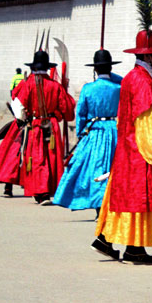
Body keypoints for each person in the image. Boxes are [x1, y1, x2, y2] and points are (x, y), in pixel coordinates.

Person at [93, 5, 152, 265]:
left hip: (127, 148)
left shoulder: (132, 76)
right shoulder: (143, 80)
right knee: (140, 199)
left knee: (126, 198)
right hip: (140, 150)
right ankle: (123, 243)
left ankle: (126, 244)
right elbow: (146, 121)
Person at [53, 49, 122, 218]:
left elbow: (81, 113)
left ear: (95, 69)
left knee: (94, 167)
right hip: (115, 130)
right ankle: (110, 204)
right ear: (111, 69)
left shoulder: (88, 89)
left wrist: (81, 132)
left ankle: (98, 205)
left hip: (95, 130)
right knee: (114, 167)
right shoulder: (119, 87)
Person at [10, 47, 75, 204]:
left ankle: (41, 192)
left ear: (34, 67)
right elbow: (67, 110)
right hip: (51, 125)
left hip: (36, 124)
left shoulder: (28, 84)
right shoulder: (55, 86)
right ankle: (50, 190)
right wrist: (57, 116)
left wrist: (24, 118)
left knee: (38, 158)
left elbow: (18, 106)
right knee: (51, 157)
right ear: (47, 68)